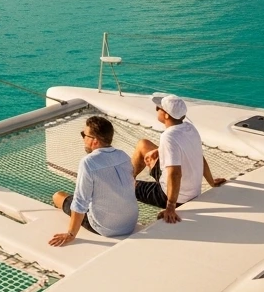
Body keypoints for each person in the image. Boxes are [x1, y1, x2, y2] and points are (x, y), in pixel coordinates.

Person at [133, 93, 227, 223]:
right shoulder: (190, 128)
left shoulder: (168, 136)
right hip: (193, 191)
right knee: (143, 144)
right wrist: (211, 182)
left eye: (158, 108)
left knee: (130, 186)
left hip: (174, 197)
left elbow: (175, 173)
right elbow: (199, 156)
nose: (156, 109)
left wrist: (170, 206)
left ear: (166, 115)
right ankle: (130, 177)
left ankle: (126, 181)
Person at [49, 115, 140, 246]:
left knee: (58, 196)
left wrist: (70, 234)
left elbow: (80, 202)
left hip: (106, 228)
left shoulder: (88, 162)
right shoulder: (123, 155)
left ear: (95, 141)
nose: (83, 138)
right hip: (130, 223)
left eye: (84, 135)